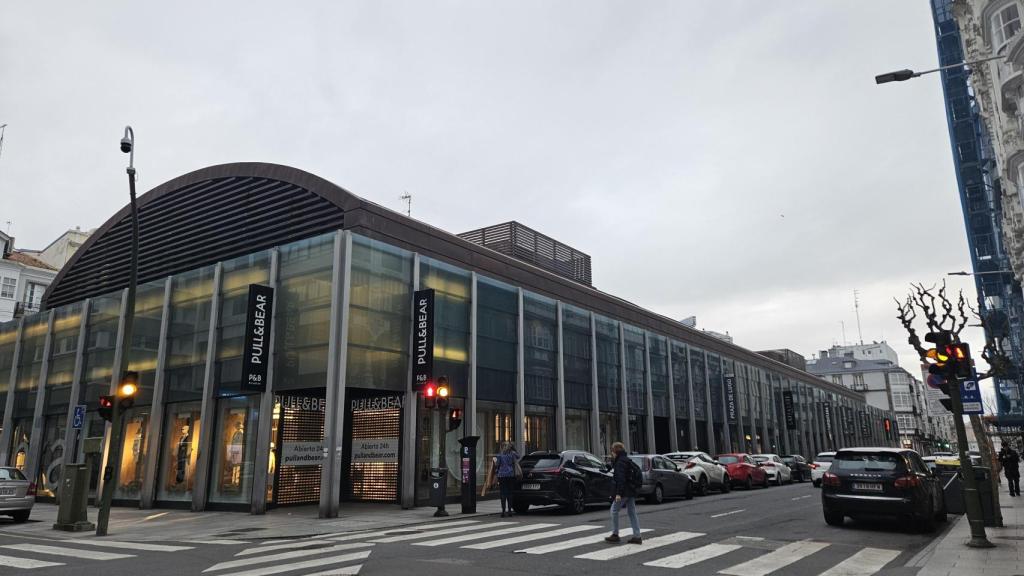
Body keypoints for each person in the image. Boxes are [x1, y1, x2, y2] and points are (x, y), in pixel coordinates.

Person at [606, 442, 642, 544]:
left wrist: (618, 494)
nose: (611, 454)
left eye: (612, 451)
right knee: (632, 512)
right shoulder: (627, 460)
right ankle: (637, 535)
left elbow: (620, 479)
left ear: (615, 451)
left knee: (614, 510)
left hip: (624, 491)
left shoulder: (620, 462)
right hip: (630, 490)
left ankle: (615, 534)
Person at [493, 442, 519, 517]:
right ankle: (510, 511)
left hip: (501, 476)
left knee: (503, 493)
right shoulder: (512, 454)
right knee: (510, 493)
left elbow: (497, 465)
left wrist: (496, 471)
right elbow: (518, 456)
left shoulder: (499, 455)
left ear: (502, 447)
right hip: (510, 475)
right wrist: (513, 448)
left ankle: (503, 511)